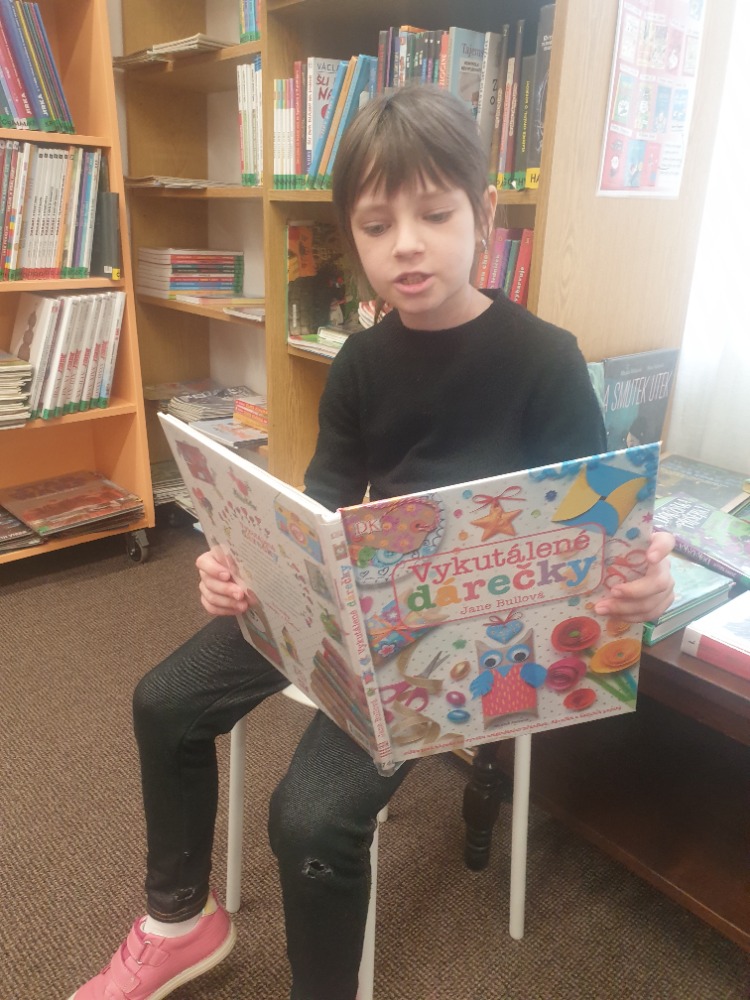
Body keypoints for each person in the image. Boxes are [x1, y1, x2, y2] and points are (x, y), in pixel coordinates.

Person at [69, 85, 675, 1000]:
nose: (407, 245)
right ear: (352, 237)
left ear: (485, 214)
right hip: (352, 611)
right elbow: (314, 508)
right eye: (377, 225)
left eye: (435, 215)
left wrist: (640, 586)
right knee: (164, 701)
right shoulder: (361, 361)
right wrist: (238, 565)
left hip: (466, 640)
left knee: (309, 818)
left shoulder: (545, 359)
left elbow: (600, 532)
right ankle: (180, 924)